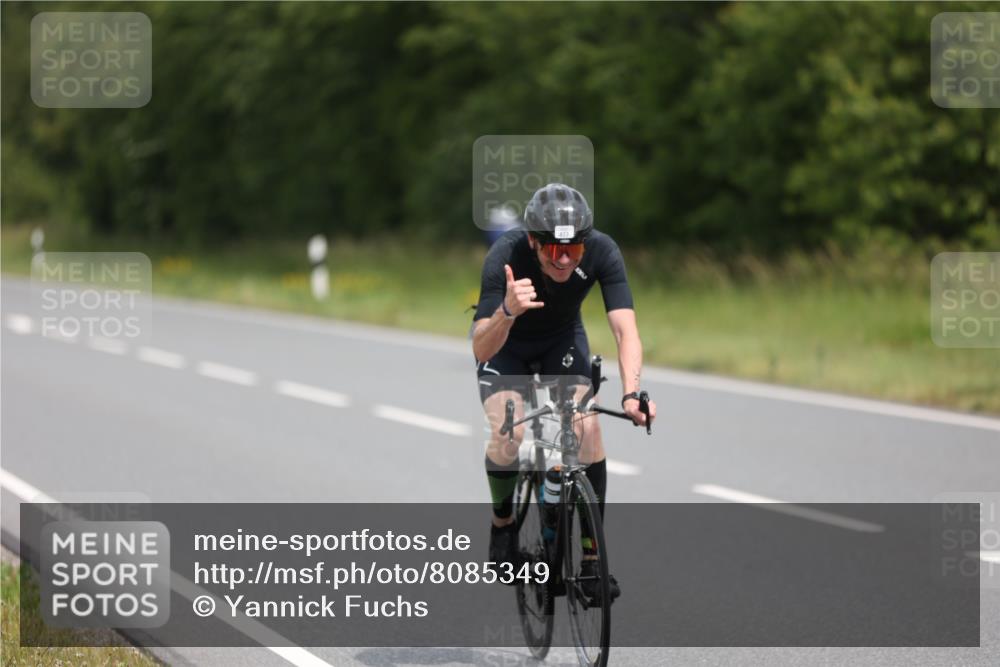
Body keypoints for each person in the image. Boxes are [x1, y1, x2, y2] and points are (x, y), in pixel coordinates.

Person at [471, 182, 657, 602]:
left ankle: (592, 561)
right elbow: (481, 345)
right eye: (552, 249)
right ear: (533, 241)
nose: (562, 259)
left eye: (572, 250)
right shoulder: (506, 256)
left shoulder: (604, 251)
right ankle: (503, 528)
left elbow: (625, 329)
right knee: (508, 432)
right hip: (507, 343)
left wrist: (632, 393)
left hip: (562, 341)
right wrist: (506, 311)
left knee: (587, 428)